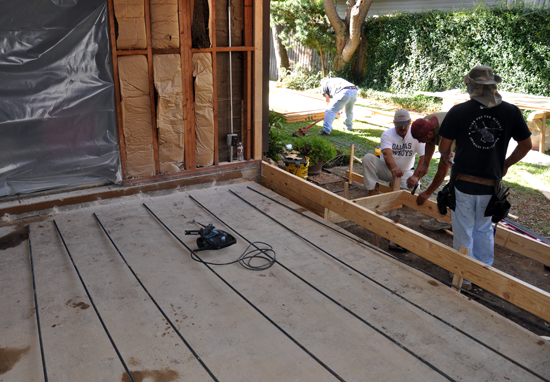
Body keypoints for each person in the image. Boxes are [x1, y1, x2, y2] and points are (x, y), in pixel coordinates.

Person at [438, 65, 532, 279]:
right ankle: (483, 275)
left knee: (463, 231)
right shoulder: (511, 112)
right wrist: (506, 164)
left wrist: (446, 158)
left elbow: (444, 147)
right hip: (491, 186)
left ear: (471, 87)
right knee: (484, 230)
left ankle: (464, 276)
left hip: (463, 183)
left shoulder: (459, 111)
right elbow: (526, 145)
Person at [362, 109, 426, 195]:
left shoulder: (416, 135)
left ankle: (393, 184)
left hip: (405, 172)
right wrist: (394, 168)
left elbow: (424, 157)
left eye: (405, 125)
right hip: (386, 169)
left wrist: (415, 176)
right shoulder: (387, 134)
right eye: (400, 125)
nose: (403, 128)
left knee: (413, 192)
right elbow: (386, 153)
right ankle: (372, 189)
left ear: (410, 122)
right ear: (394, 123)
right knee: (368, 159)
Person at [410, 112, 455, 231]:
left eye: (420, 140)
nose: (420, 142)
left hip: (469, 146)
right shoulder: (426, 122)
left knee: (457, 181)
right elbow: (429, 141)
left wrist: (428, 192)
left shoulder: (447, 135)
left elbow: (443, 169)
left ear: (430, 133)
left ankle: (444, 219)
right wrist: (426, 164)